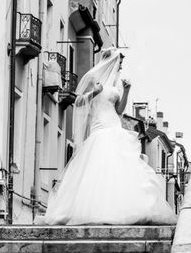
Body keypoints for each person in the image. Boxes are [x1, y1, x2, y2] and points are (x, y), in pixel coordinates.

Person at [40, 48, 177, 225]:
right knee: (99, 167)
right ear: (111, 61)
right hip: (100, 127)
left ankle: (123, 209)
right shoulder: (92, 79)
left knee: (120, 167)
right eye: (119, 62)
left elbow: (119, 111)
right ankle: (96, 211)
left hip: (114, 125)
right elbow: (79, 102)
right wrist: (94, 93)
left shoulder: (116, 84)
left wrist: (126, 91)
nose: (121, 65)